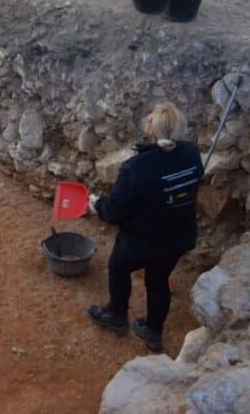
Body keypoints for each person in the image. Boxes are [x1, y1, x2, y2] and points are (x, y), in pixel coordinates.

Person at [86, 102, 204, 352]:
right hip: (177, 236)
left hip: (141, 240)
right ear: (180, 129)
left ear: (151, 128)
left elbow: (115, 211)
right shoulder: (192, 154)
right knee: (158, 279)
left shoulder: (136, 167)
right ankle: (153, 332)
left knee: (118, 268)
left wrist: (97, 204)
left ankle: (116, 316)